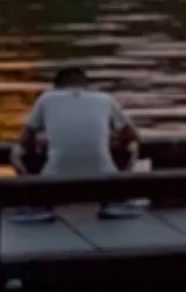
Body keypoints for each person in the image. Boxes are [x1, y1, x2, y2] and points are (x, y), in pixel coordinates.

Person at [17, 65, 138, 222]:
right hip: (103, 177)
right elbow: (133, 135)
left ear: (56, 86)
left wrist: (41, 145)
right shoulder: (105, 99)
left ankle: (38, 202)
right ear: (86, 85)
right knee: (132, 147)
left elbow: (24, 139)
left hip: (53, 179)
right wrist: (112, 141)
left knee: (16, 152)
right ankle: (116, 199)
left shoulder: (47, 98)